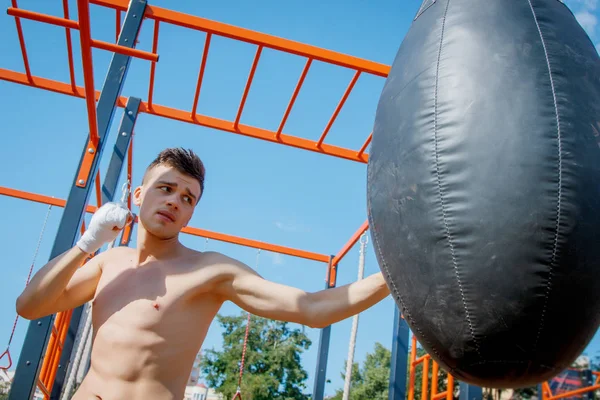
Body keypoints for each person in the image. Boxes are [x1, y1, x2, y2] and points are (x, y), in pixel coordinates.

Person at [15, 148, 391, 400]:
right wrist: (88, 243)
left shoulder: (208, 270)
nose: (174, 201)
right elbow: (29, 306)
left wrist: (392, 277)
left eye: (187, 198)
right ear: (139, 194)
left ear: (192, 213)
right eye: (166, 188)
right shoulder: (106, 264)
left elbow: (311, 308)